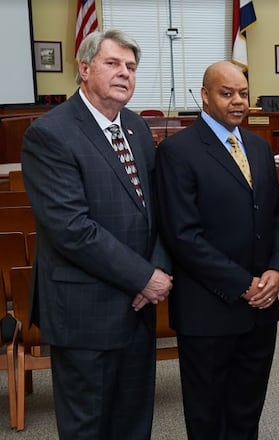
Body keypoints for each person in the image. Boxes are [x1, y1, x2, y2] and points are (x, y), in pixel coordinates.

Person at [20, 29, 171, 439]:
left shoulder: (138, 129)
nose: (125, 73)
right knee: (89, 427)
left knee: (134, 421)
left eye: (131, 67)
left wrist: (155, 269)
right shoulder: (50, 134)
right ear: (84, 70)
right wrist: (143, 276)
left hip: (139, 307)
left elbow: (158, 211)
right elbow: (72, 229)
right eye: (113, 63)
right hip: (85, 310)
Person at [155, 61, 279, 439]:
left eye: (243, 94)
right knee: (208, 418)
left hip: (262, 310)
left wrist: (278, 273)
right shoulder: (177, 151)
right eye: (226, 93)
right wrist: (242, 284)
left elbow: (277, 220)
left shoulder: (259, 148)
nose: (237, 101)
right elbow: (183, 236)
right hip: (208, 311)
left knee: (247, 414)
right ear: (205, 95)